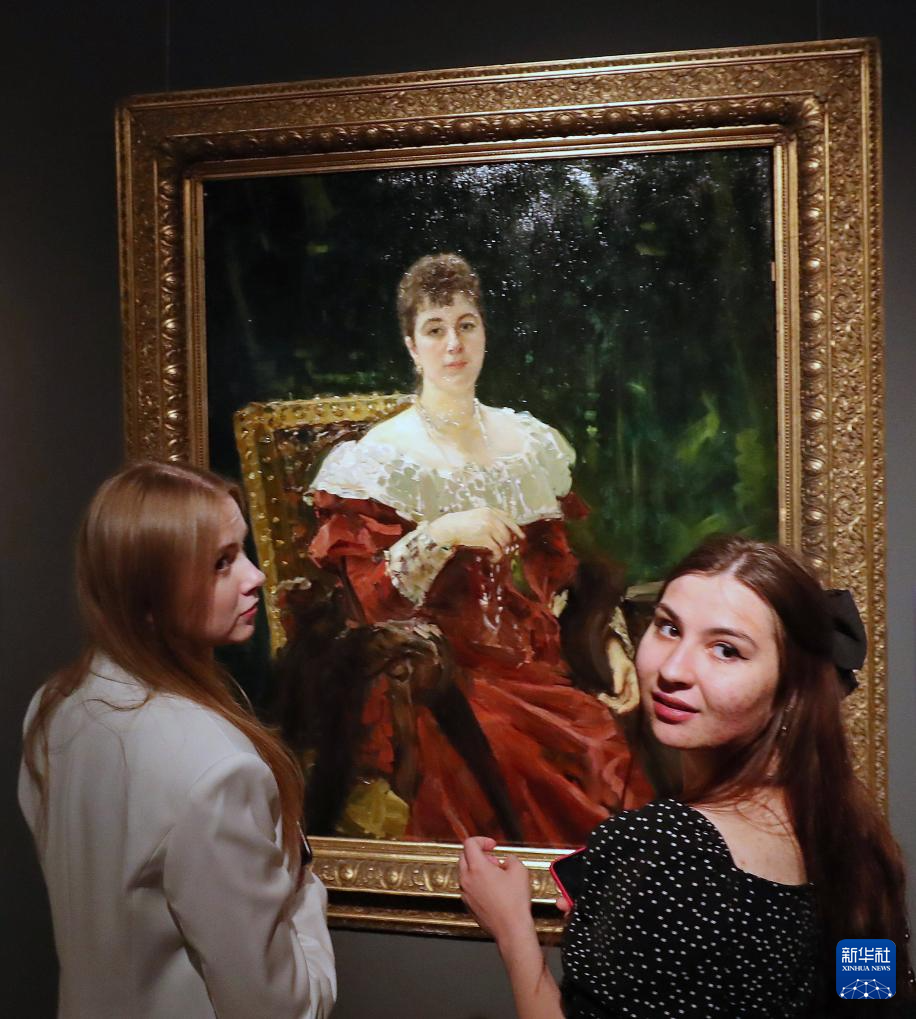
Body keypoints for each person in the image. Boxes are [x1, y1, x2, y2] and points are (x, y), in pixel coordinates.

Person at [459, 534, 914, 1017]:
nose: (673, 669)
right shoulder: (855, 838)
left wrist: (513, 929)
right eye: (668, 628)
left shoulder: (665, 846)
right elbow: (871, 1000)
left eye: (726, 650)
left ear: (791, 690)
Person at [302, 252, 650, 845]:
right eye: (435, 330)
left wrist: (612, 643)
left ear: (484, 333)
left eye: (466, 325)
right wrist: (441, 533)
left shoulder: (529, 444)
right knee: (508, 757)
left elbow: (563, 575)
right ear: (412, 347)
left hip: (536, 667)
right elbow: (371, 604)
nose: (453, 345)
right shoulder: (382, 458)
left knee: (604, 745)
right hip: (440, 682)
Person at [19, 462, 336, 1019]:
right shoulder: (218, 769)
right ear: (149, 594)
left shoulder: (53, 707)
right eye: (221, 563)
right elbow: (281, 1009)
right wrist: (304, 890)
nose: (256, 576)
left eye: (242, 550)